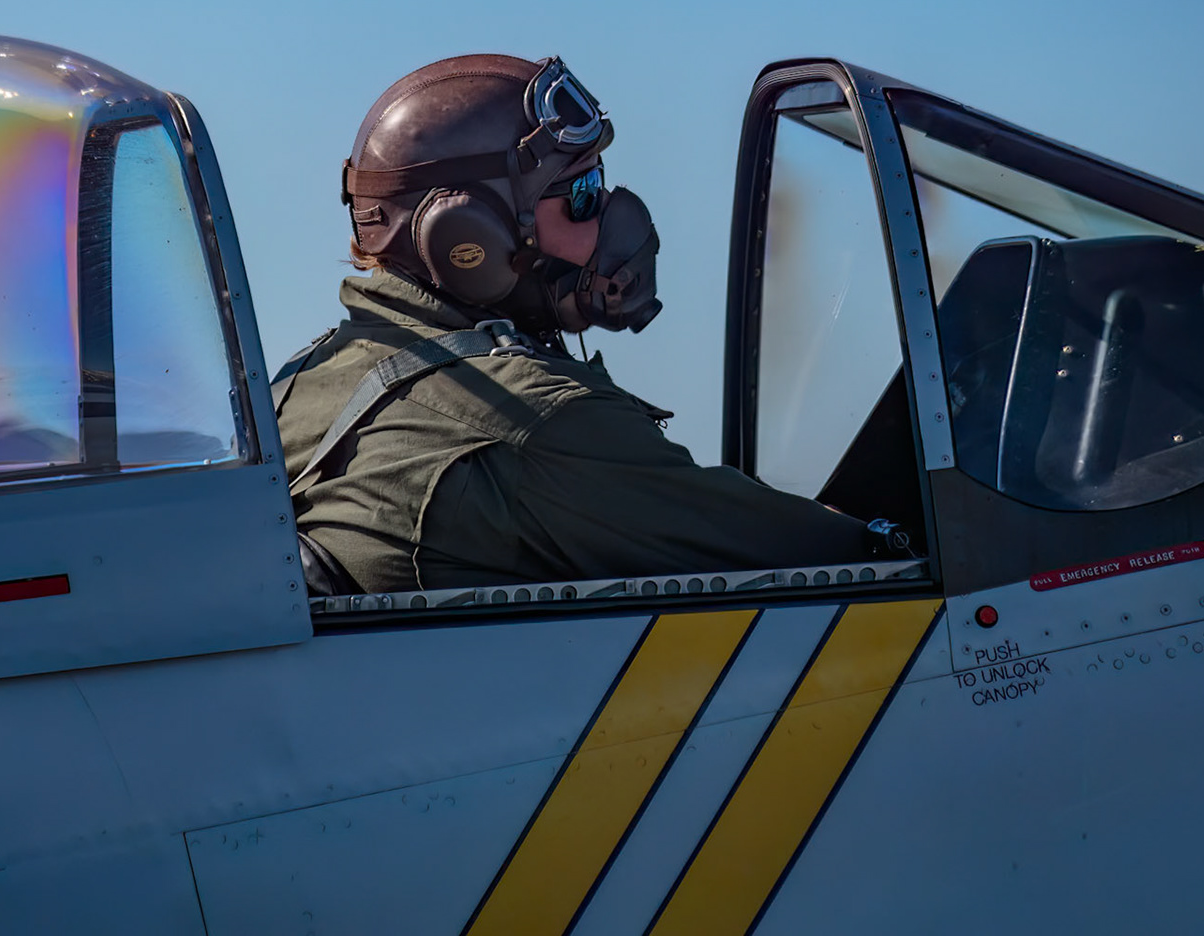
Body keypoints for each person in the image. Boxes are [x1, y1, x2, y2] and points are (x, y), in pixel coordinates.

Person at [271, 53, 889, 595]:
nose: (612, 217)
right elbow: (852, 567)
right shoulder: (541, 422)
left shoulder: (289, 393)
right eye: (584, 192)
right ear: (470, 238)